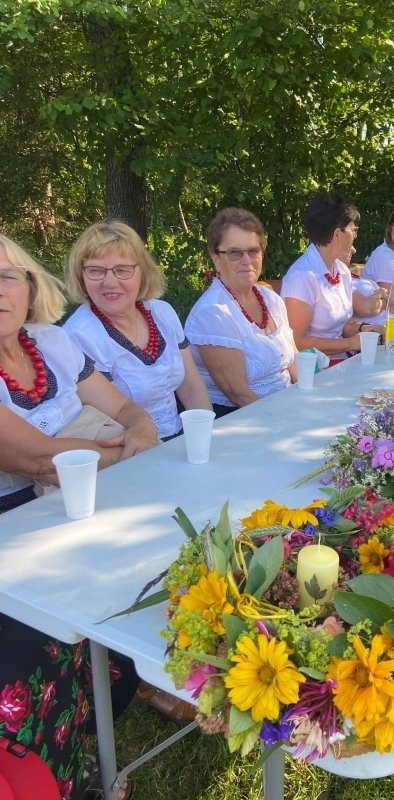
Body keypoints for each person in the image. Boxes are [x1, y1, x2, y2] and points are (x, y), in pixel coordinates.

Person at [0, 234, 158, 800]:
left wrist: (141, 427)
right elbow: (36, 459)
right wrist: (126, 449)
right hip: (13, 533)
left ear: (30, 286)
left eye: (6, 276)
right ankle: (47, 776)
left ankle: (93, 736)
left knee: (146, 569)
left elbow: (121, 405)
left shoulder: (51, 341)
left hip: (84, 498)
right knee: (39, 643)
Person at [63, 221, 212, 440]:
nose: (110, 282)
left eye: (122, 270)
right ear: (81, 276)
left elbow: (191, 387)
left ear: (142, 271)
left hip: (182, 437)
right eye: (96, 271)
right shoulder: (78, 336)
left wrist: (206, 436)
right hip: (126, 453)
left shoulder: (163, 313)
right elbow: (110, 418)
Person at [184, 208, 296, 417]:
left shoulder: (271, 300)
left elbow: (294, 364)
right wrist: (287, 419)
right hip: (241, 416)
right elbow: (239, 394)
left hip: (287, 404)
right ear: (216, 258)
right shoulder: (213, 313)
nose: (246, 260)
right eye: (235, 252)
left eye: (253, 250)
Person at [281, 192, 382, 358]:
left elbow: (335, 325)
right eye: (353, 230)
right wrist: (350, 343)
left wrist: (363, 329)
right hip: (315, 370)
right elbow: (296, 342)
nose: (355, 235)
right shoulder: (302, 277)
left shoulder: (340, 270)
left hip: (342, 362)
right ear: (337, 234)